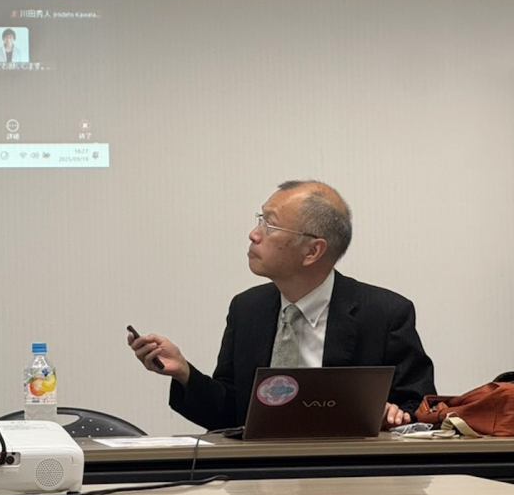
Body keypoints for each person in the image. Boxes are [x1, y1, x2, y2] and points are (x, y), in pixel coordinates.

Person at [128, 180, 434, 430]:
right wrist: (184, 372)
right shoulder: (248, 309)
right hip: (258, 475)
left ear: (312, 251)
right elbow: (230, 414)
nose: (254, 234)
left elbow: (420, 408)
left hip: (348, 476)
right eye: (259, 221)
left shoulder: (383, 313)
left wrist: (394, 416)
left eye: (270, 226)